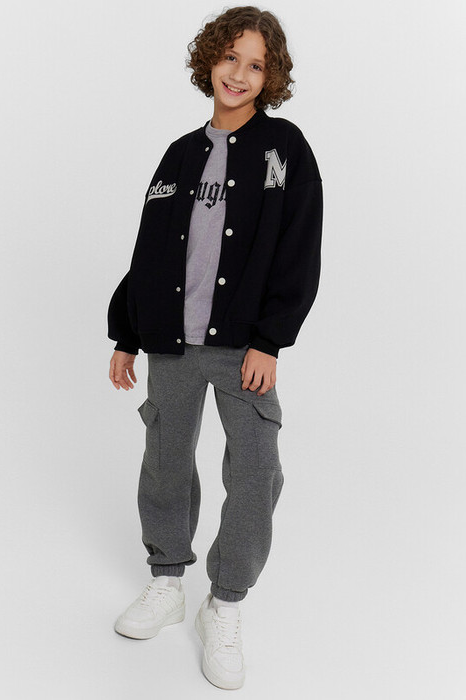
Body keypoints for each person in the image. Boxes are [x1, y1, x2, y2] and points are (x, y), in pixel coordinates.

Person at [107, 5, 323, 691]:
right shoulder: (179, 153)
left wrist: (270, 340)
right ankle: (167, 580)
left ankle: (224, 602)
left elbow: (299, 247)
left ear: (270, 77)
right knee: (166, 464)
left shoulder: (283, 149)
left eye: (255, 65)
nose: (239, 74)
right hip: (169, 343)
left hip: (243, 350)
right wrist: (127, 332)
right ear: (209, 60)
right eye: (230, 57)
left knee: (257, 473)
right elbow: (149, 251)